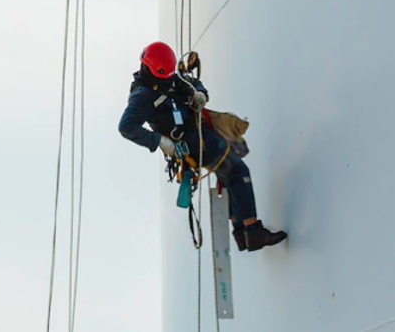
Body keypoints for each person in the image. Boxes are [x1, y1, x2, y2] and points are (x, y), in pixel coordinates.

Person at [118, 41, 288, 253]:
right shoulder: (142, 96)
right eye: (166, 76)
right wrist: (160, 141)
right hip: (191, 144)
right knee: (237, 171)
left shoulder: (169, 79)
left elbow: (191, 82)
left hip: (198, 134)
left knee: (229, 175)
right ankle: (252, 231)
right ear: (151, 71)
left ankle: (242, 232)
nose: (170, 78)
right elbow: (126, 127)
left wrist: (200, 94)